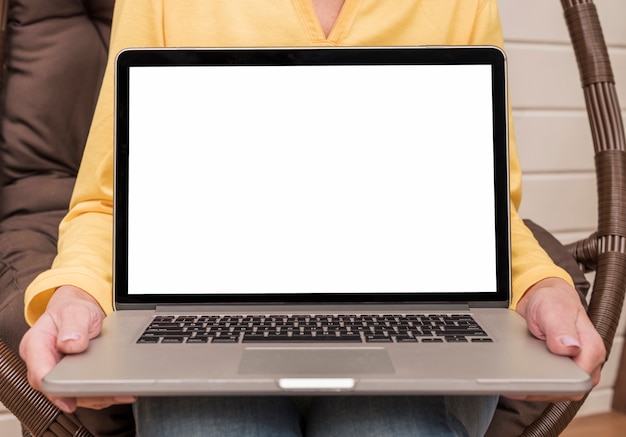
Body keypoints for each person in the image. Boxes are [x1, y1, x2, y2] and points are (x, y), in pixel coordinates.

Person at [19, 0, 606, 435]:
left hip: (412, 311)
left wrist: (541, 287)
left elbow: (485, 209)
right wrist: (76, 295)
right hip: (205, 314)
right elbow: (106, 200)